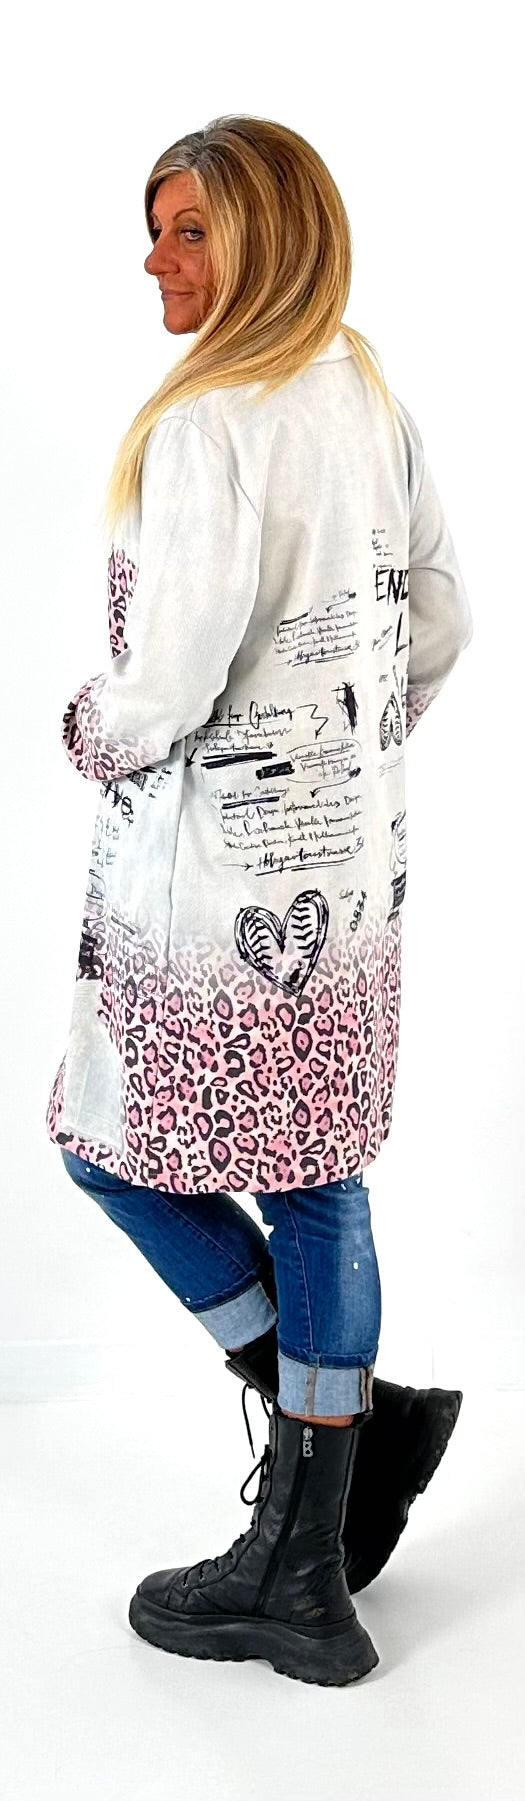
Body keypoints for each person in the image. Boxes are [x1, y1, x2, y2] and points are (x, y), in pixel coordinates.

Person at [46, 114, 472, 1687]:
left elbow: (167, 680)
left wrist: (90, 727)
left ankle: (305, 1548)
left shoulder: (211, 422)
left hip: (209, 901)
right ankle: (342, 1465)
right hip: (344, 888)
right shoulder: (363, 393)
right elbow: (441, 618)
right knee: (317, 1178)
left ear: (266, 235)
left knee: (103, 1144)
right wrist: (347, 757)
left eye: (188, 230)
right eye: (154, 227)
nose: (155, 261)